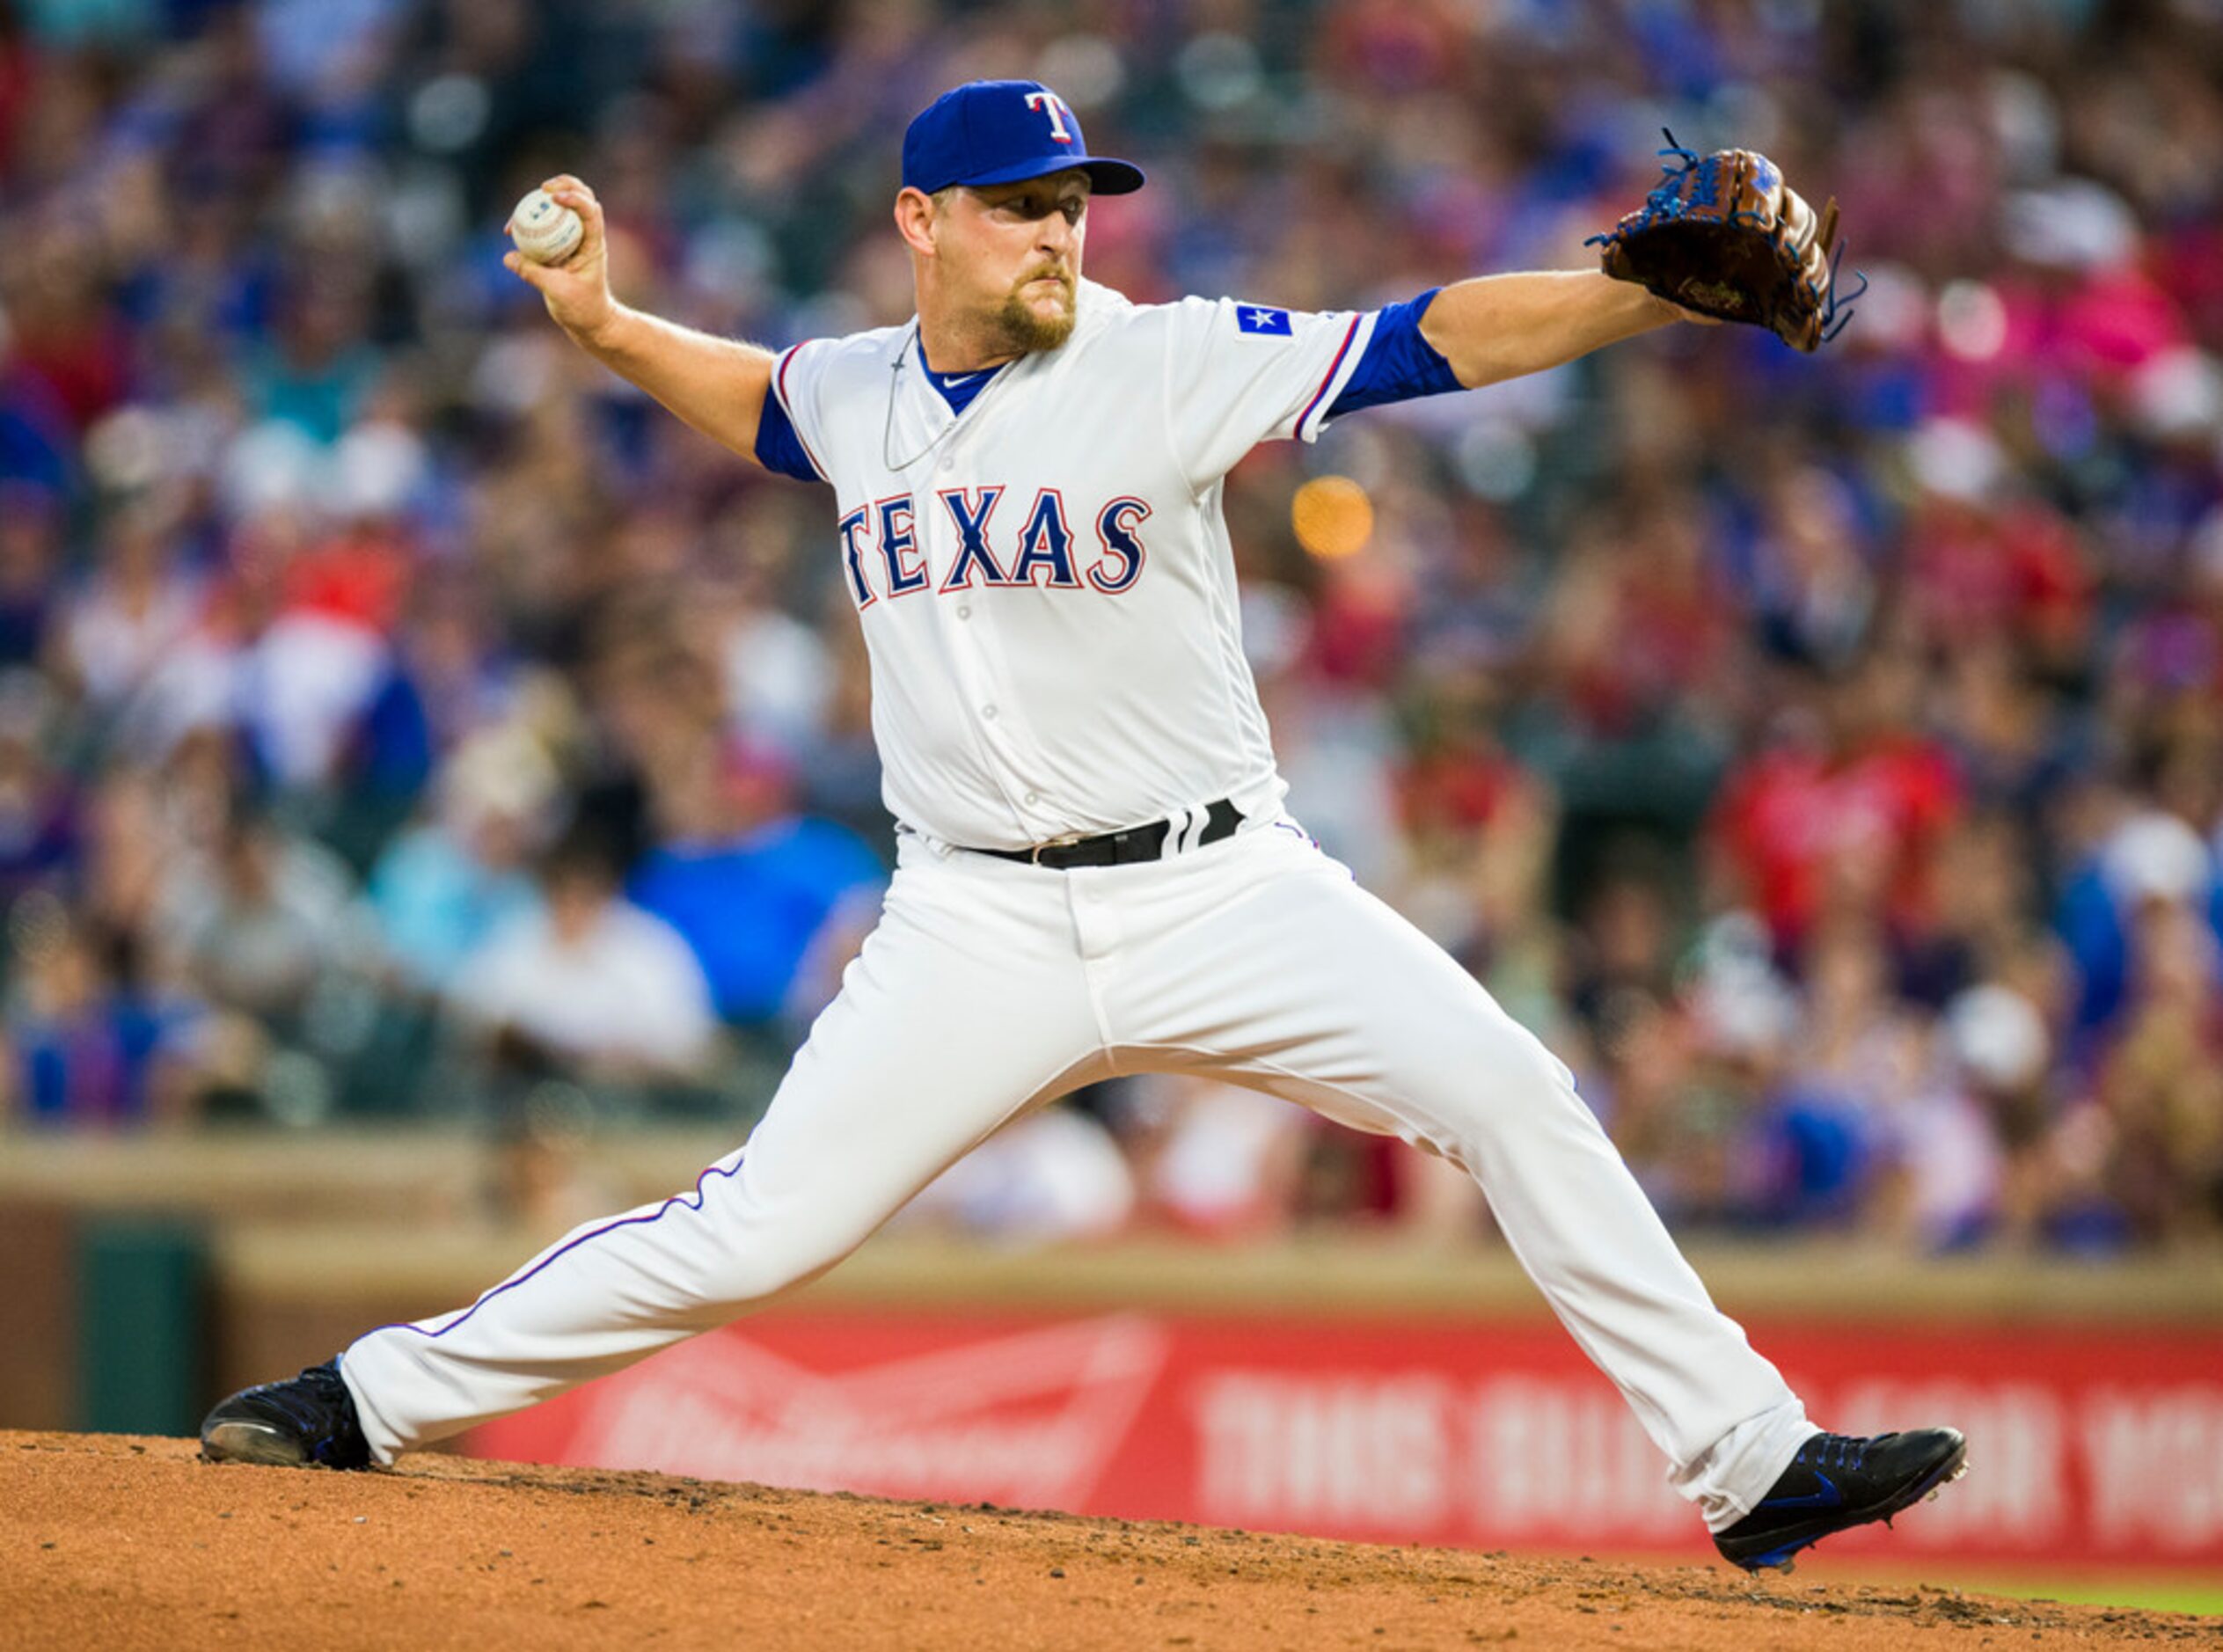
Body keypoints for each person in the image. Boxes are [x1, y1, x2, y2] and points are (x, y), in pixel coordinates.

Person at [201, 80, 1965, 1574]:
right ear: (920, 220)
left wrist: (1641, 296)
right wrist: (600, 328)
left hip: (1221, 884)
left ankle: (1746, 1467)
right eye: (1019, 207)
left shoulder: (1166, 361)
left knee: (1512, 1095)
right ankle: (364, 1399)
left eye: (1074, 205)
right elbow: (754, 401)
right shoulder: (847, 392)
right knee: (749, 1232)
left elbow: (1425, 340)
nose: (1060, 234)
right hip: (971, 925)